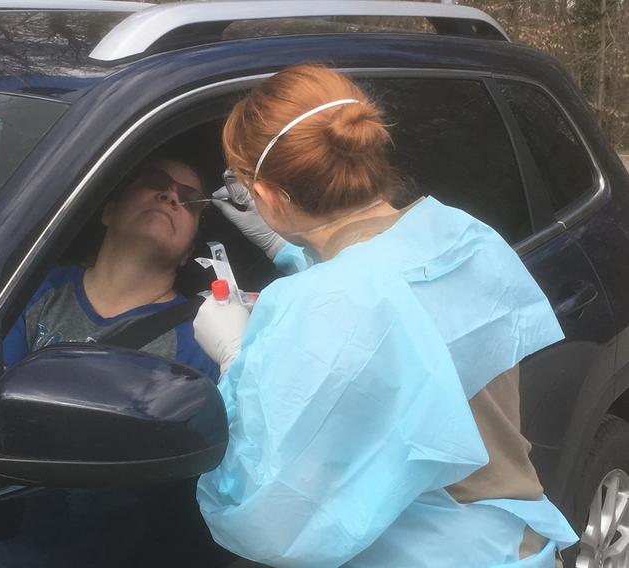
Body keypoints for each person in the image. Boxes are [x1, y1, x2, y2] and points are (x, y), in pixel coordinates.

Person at [192, 64, 578, 567]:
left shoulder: (321, 304)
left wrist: (235, 356)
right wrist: (291, 251)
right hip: (515, 542)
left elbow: (267, 509)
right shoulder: (463, 237)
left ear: (264, 193)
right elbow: (399, 293)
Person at [3, 156, 219, 381]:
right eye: (155, 181)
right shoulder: (33, 288)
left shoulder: (199, 339)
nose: (171, 196)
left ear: (188, 252)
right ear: (109, 212)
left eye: (190, 201)